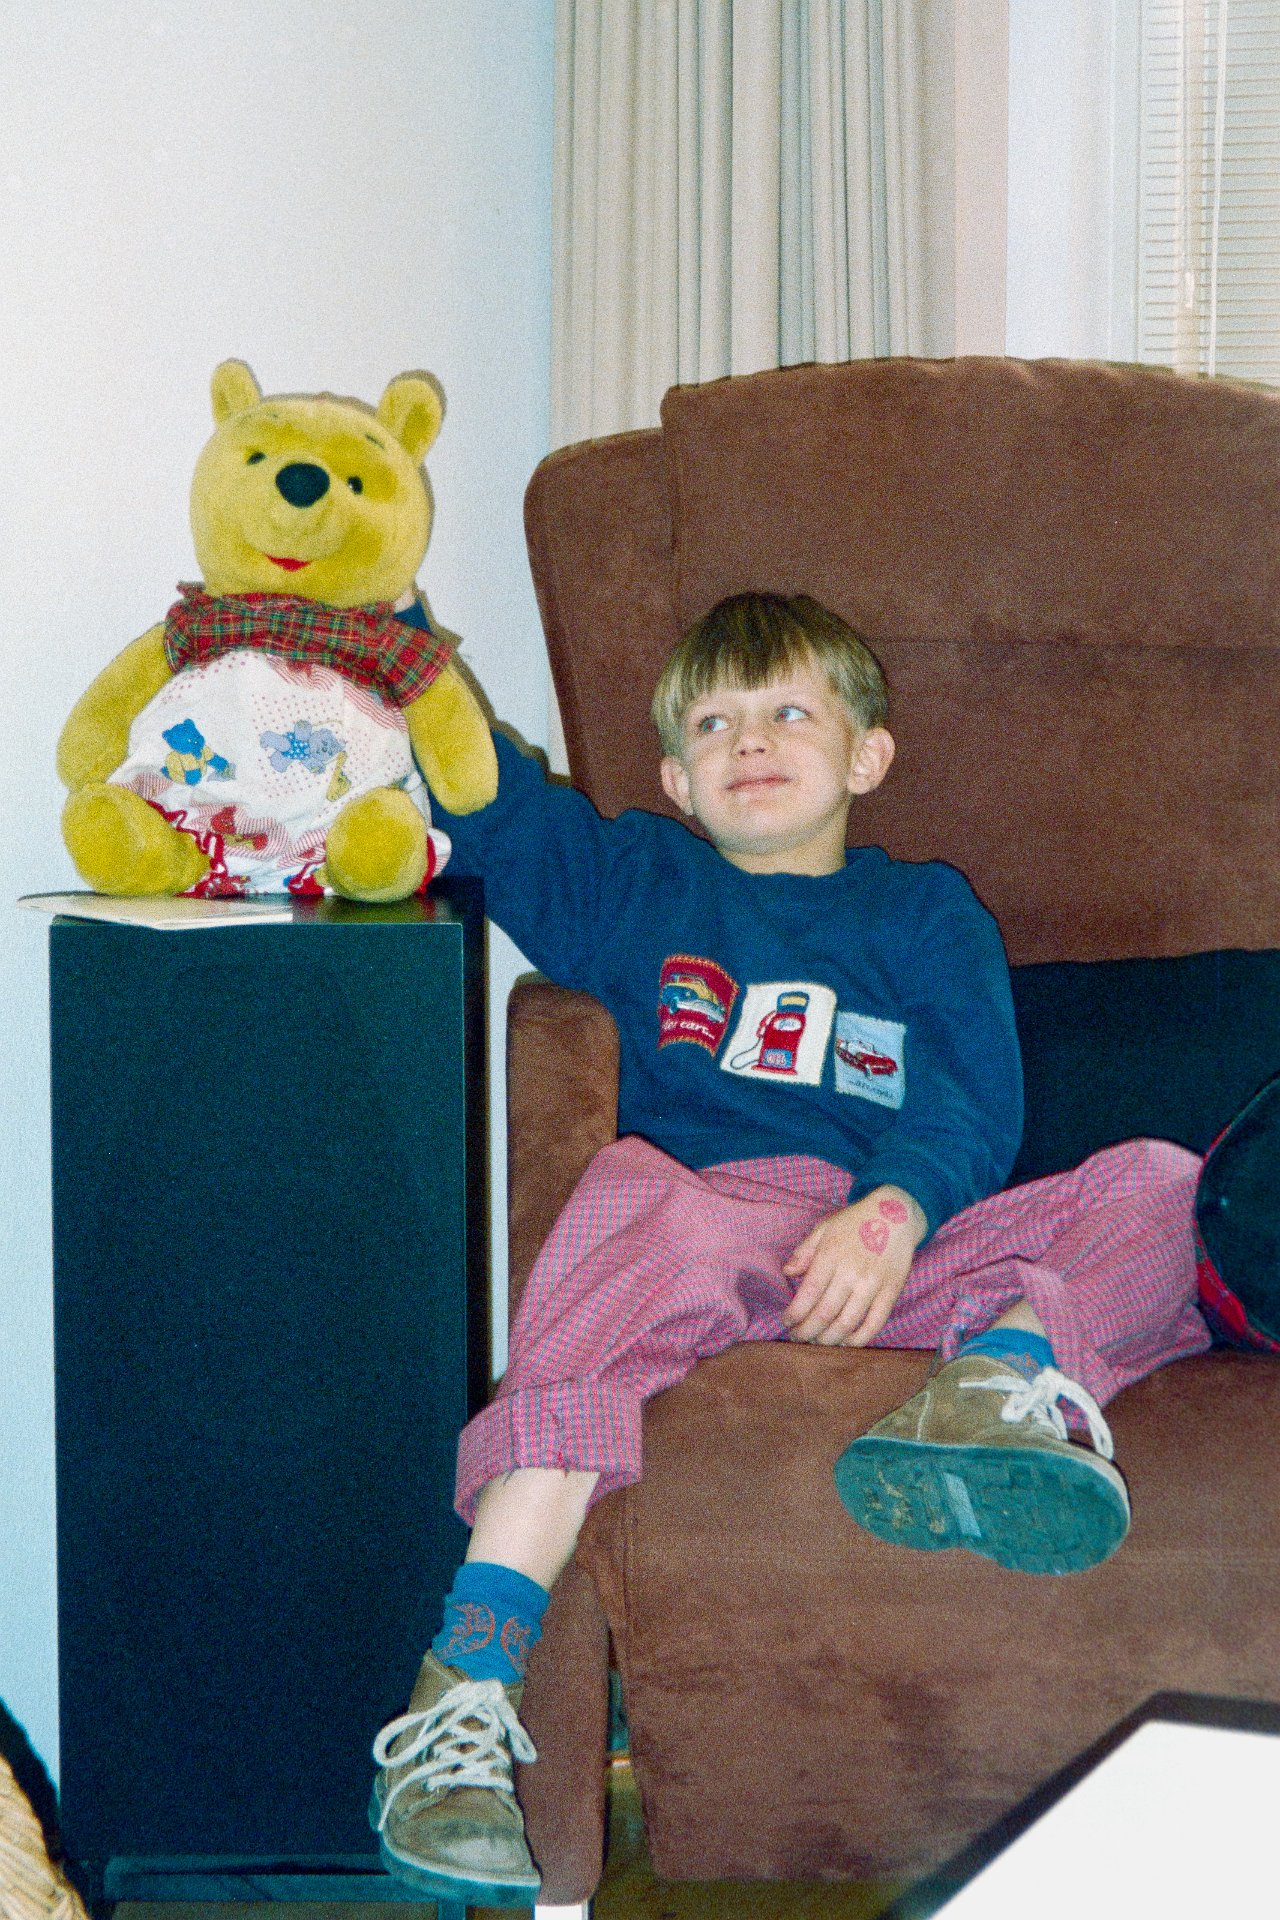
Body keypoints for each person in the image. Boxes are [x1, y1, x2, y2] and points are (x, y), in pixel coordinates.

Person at [367, 592, 1209, 1905]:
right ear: (675, 778)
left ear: (867, 755)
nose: (749, 741)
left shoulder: (924, 912)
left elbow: (972, 1095)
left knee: (1164, 1183)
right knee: (626, 1196)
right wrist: (402, 644)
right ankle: (465, 1690)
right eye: (712, 724)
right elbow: (496, 814)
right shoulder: (641, 885)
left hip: (904, 1248)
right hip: (708, 1222)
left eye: (788, 713)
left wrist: (894, 1211)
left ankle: (993, 1385)